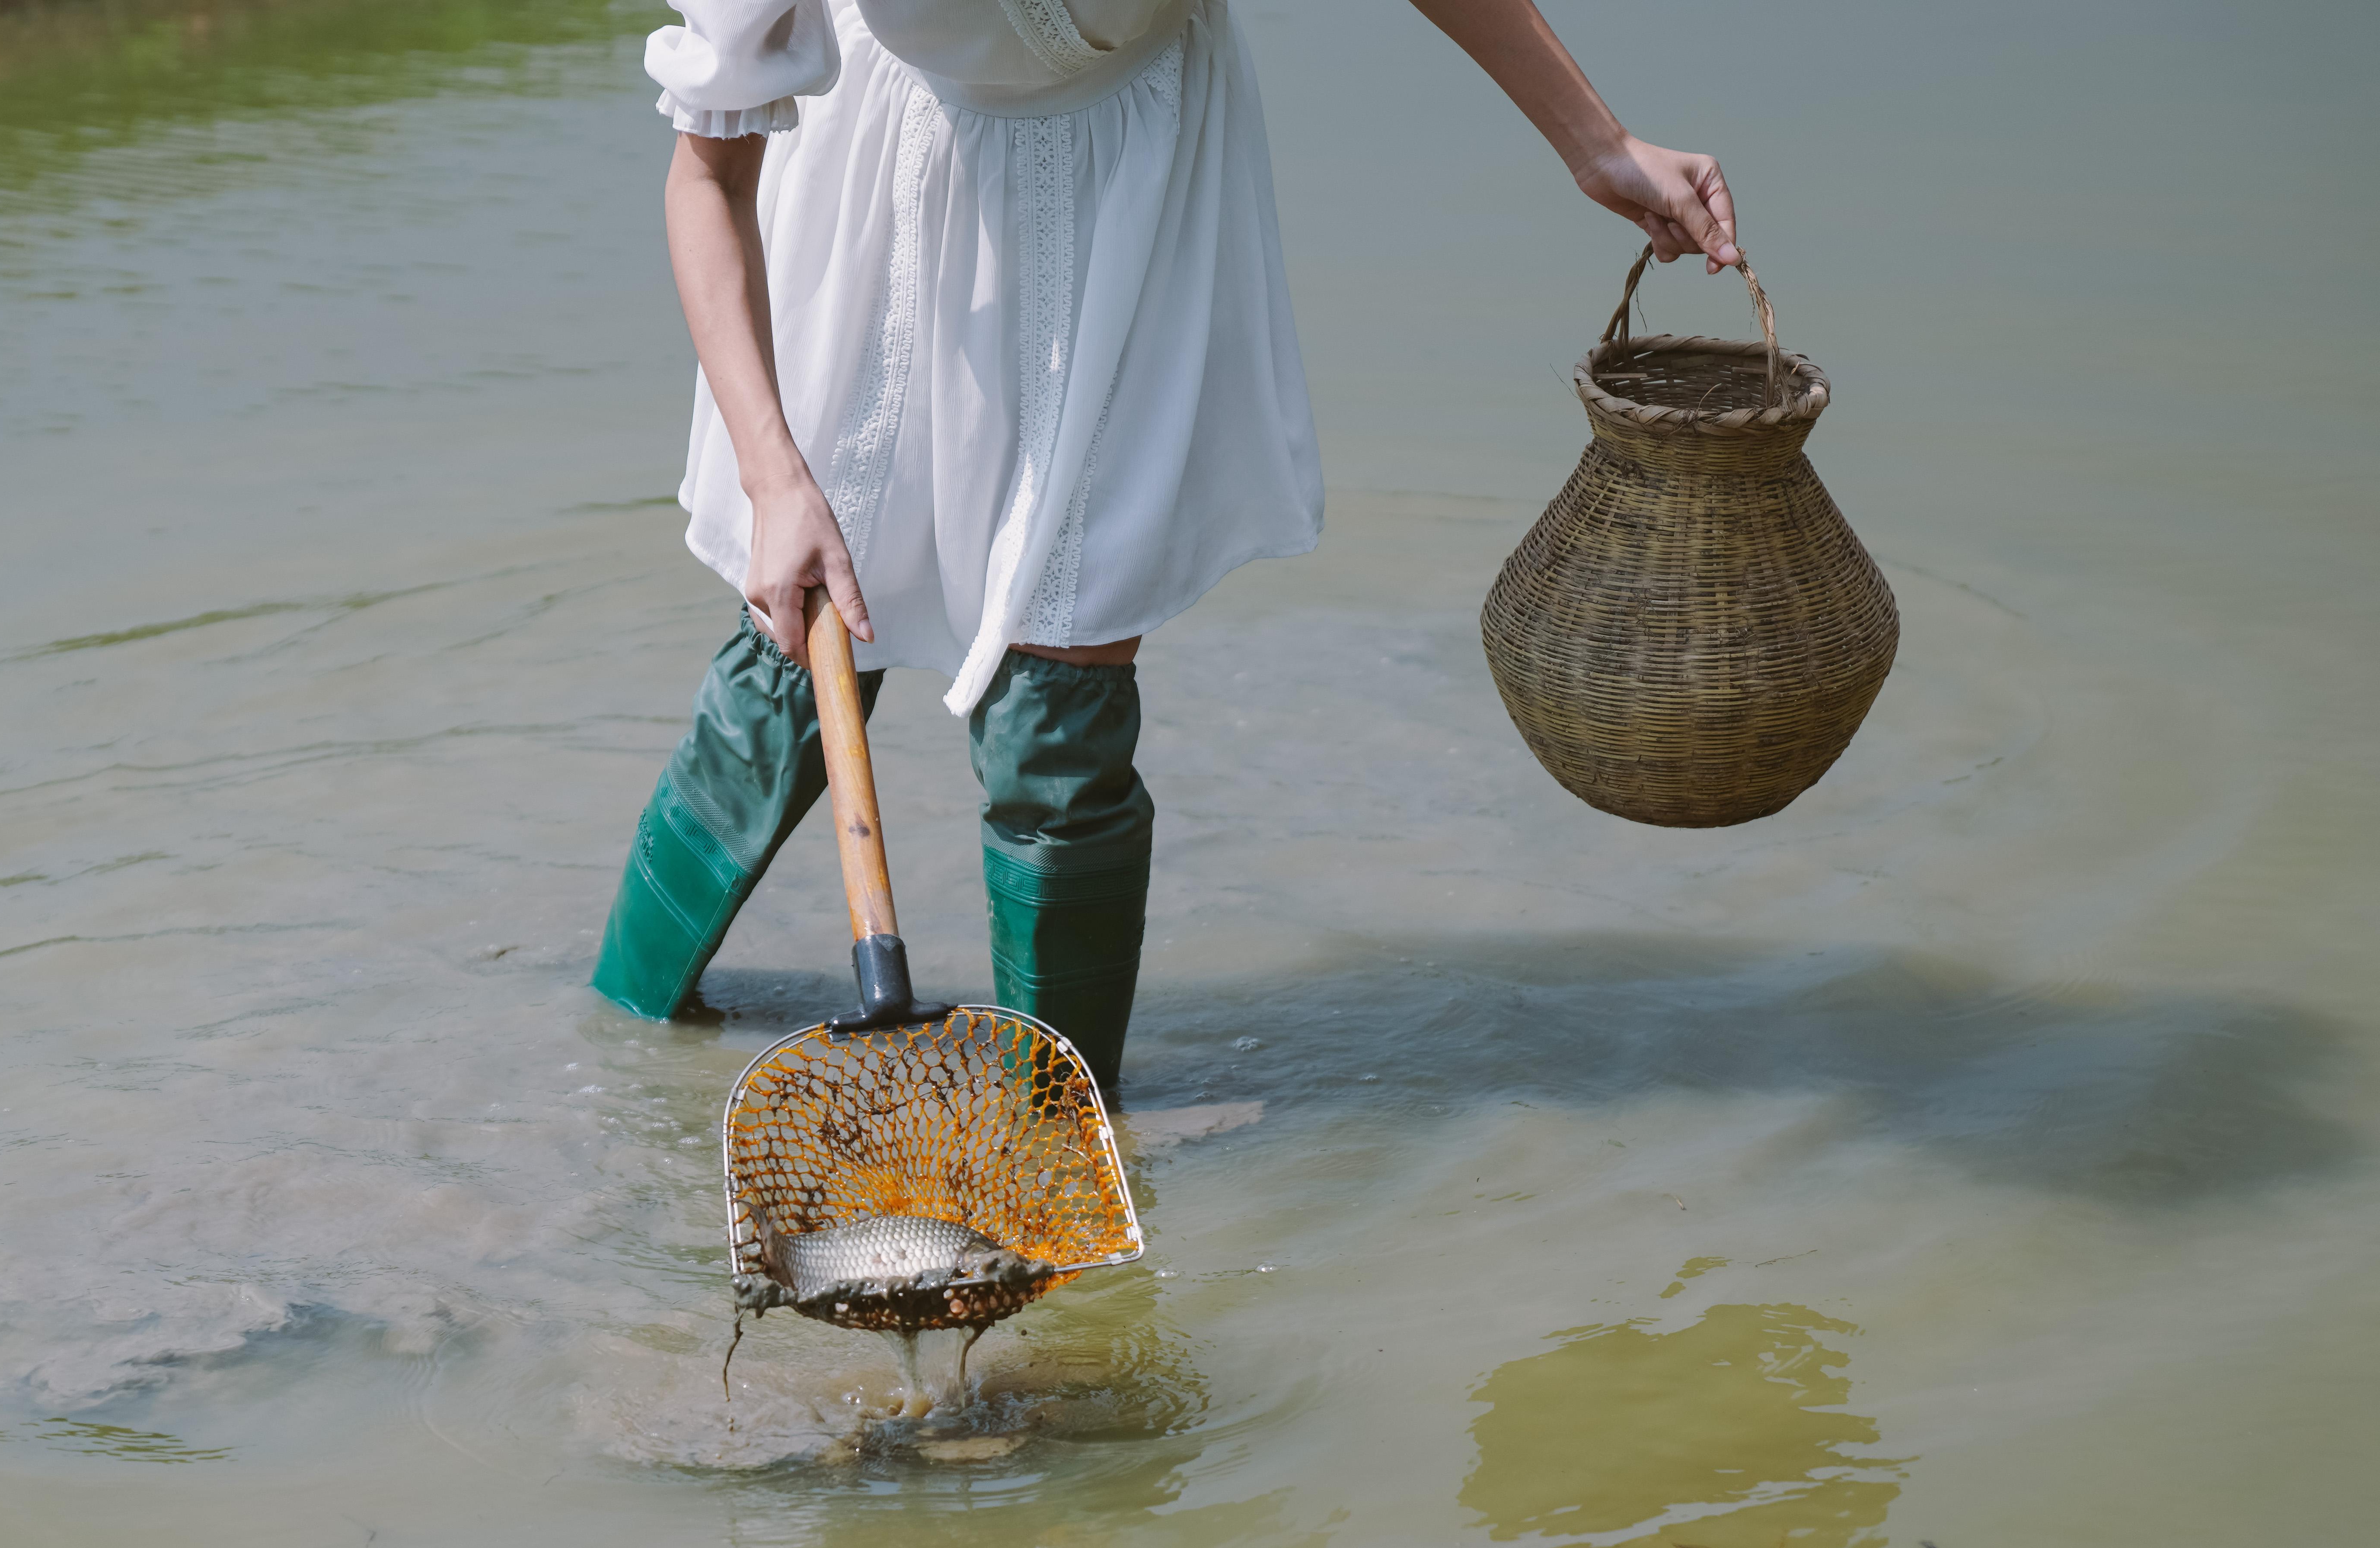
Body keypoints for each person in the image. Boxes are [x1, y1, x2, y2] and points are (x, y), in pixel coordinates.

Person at [591, 0, 1739, 1092]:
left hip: (1124, 174)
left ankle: (1064, 1128)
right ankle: (618, 1040)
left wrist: (1596, 144)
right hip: (874, 170)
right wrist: (772, 471)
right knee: (797, 629)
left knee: (1063, 689)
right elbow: (705, 173)